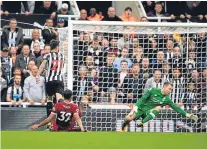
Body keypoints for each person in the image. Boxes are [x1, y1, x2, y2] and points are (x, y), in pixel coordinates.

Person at [120, 82, 198, 132]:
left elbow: (176, 108)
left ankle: (142, 122)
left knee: (159, 107)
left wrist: (187, 115)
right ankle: (123, 128)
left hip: (149, 112)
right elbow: (143, 98)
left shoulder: (167, 99)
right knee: (128, 118)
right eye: (169, 89)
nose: (170, 91)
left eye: (171, 90)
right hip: (140, 109)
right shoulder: (153, 90)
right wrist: (135, 107)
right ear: (164, 87)